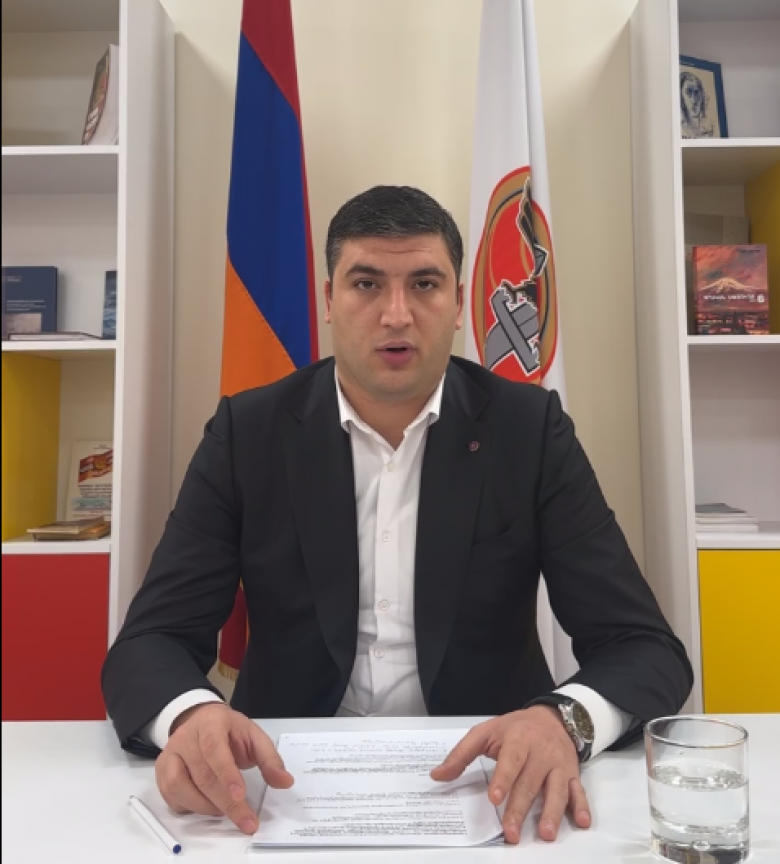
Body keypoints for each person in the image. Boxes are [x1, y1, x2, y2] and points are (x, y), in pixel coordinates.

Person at [102, 185, 692, 846]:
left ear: (459, 303)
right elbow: (151, 641)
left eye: (425, 284)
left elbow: (644, 649)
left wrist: (562, 722)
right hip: (278, 785)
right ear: (329, 300)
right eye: (366, 284)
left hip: (494, 782)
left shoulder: (529, 430)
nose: (396, 314)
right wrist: (189, 717)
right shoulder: (249, 431)